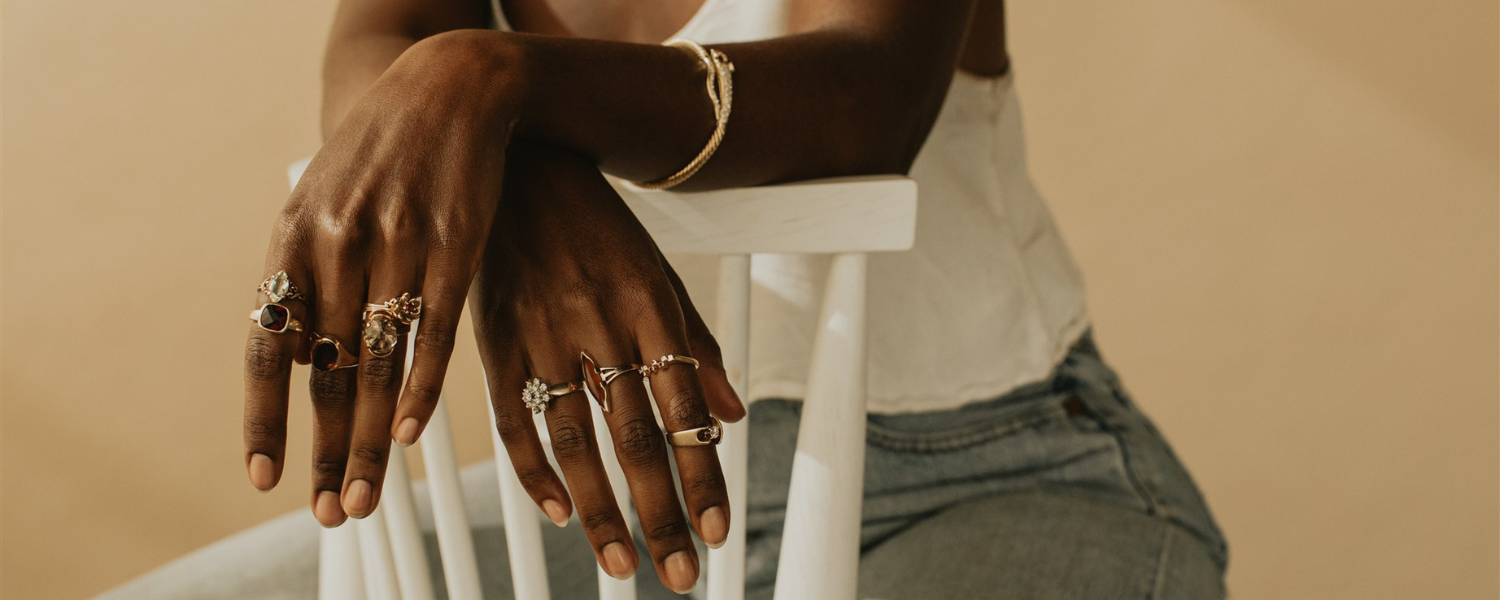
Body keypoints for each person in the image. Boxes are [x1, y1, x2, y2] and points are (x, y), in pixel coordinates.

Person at [106, 0, 1229, 598]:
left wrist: (500, 79)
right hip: (632, 493)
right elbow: (379, 51)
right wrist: (515, 157)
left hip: (988, 469)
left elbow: (866, 101)